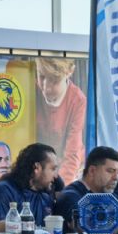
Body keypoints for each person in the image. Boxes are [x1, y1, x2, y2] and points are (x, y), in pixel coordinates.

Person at [35, 57, 86, 185]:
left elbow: (72, 152)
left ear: (70, 72)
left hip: (67, 170)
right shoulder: (32, 89)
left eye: (54, 80)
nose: (46, 88)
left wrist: (60, 188)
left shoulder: (78, 100)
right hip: (39, 169)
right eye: (41, 76)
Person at [0, 143, 57, 224]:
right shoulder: (3, 192)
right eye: (53, 169)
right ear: (37, 168)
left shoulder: (46, 198)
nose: (56, 176)